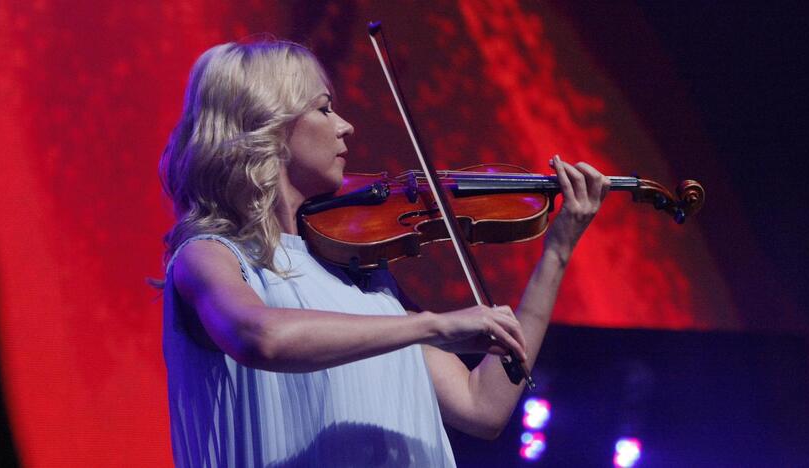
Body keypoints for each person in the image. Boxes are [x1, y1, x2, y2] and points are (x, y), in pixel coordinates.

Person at [159, 39, 609, 467]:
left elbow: (483, 405)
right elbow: (260, 337)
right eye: (324, 108)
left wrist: (559, 250)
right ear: (269, 127)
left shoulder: (366, 280)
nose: (345, 126)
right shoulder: (210, 257)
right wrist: (431, 325)